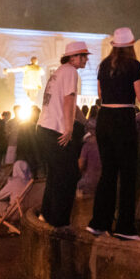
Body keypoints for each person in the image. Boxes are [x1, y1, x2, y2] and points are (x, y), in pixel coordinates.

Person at [87, 27, 140, 240]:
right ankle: (125, 227)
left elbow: (100, 93)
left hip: (104, 118)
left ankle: (98, 222)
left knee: (108, 173)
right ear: (131, 45)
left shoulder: (104, 65)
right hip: (123, 118)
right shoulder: (134, 66)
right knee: (128, 174)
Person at [37, 41, 90, 227]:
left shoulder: (60, 71)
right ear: (73, 57)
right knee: (69, 174)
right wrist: (68, 128)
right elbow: (68, 100)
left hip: (45, 128)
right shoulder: (70, 71)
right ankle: (60, 222)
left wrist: (85, 122)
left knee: (56, 173)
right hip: (54, 130)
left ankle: (47, 214)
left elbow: (72, 103)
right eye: (83, 56)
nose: (85, 59)